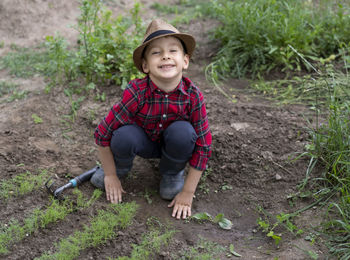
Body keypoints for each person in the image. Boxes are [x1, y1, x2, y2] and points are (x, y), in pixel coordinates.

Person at [90, 18, 212, 219]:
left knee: (184, 132)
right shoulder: (137, 93)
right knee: (122, 135)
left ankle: (172, 173)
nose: (165, 57)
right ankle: (120, 167)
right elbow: (103, 133)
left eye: (173, 51)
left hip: (174, 145)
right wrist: (110, 174)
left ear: (185, 61)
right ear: (145, 65)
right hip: (142, 141)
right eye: (156, 52)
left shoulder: (193, 96)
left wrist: (188, 193)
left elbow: (203, 146)